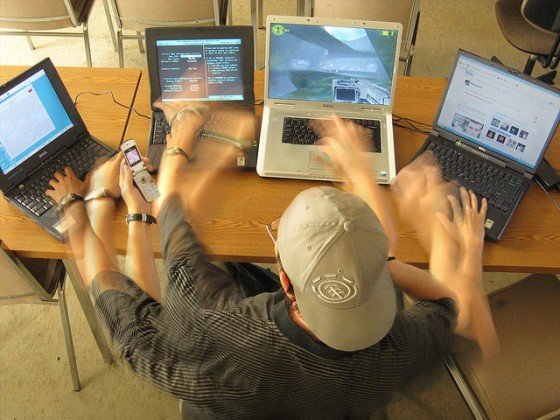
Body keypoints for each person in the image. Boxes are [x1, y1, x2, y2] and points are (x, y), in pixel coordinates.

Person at [45, 107, 498, 418]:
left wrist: (84, 208)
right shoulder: (399, 349)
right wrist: (403, 249)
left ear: (284, 278)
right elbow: (454, 305)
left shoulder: (210, 329)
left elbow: (116, 284)